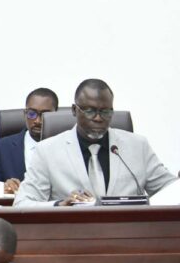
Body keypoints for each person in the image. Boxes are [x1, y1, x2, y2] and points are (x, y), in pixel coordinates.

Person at [13, 79, 177, 207]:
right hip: (73, 235)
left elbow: (170, 191)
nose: (98, 118)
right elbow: (22, 203)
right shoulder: (47, 151)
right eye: (90, 111)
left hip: (129, 234)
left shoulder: (138, 146)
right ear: (74, 110)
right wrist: (59, 205)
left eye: (105, 112)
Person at [0, 88, 58, 193]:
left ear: (56, 115)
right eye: (32, 114)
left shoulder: (67, 146)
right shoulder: (4, 147)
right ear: (25, 114)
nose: (37, 121)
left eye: (44, 115)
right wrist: (3, 187)